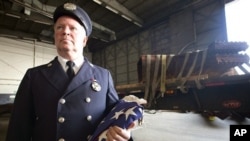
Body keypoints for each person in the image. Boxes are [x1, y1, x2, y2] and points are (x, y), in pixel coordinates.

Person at [6, 2, 135, 141]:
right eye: (60, 27)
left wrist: (124, 135)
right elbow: (18, 128)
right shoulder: (34, 76)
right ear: (55, 37)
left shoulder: (103, 76)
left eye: (73, 28)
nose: (65, 31)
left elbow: (116, 118)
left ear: (84, 40)